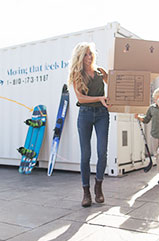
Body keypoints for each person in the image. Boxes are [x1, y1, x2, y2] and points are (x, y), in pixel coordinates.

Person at [68, 42, 109, 207]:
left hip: (102, 115)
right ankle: (86, 192)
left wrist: (114, 99)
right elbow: (81, 99)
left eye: (91, 53)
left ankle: (98, 186)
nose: (89, 57)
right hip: (85, 114)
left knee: (102, 152)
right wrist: (100, 98)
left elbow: (114, 87)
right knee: (86, 155)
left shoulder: (100, 72)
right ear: (79, 56)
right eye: (85, 54)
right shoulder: (76, 74)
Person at [134, 87, 159, 186]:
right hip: (154, 135)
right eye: (155, 98)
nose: (157, 100)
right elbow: (146, 120)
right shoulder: (152, 108)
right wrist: (138, 117)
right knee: (157, 155)